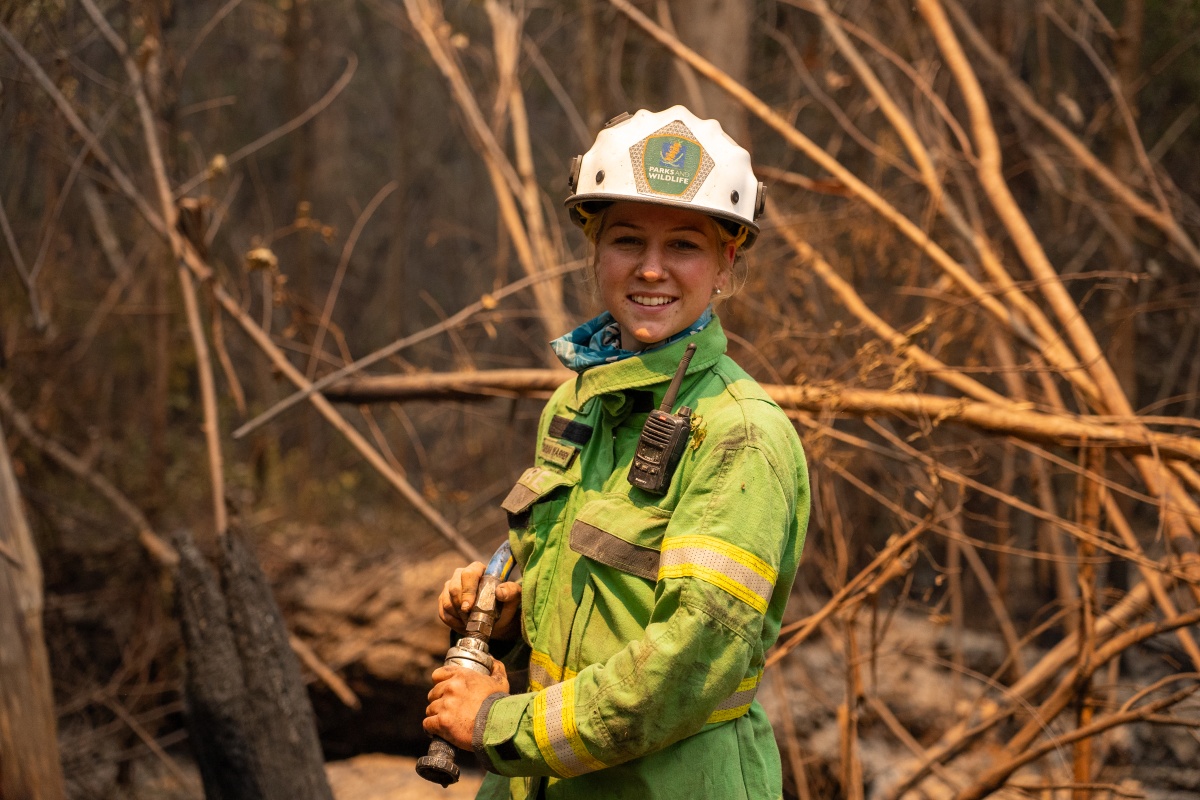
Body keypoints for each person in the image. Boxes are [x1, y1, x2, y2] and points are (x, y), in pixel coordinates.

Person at [423, 106, 810, 800]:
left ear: (726, 262)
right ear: (594, 251)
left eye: (685, 246)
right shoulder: (578, 405)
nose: (652, 269)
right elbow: (579, 605)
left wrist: (497, 724)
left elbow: (688, 662)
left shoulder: (740, 433)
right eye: (628, 240)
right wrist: (510, 621)